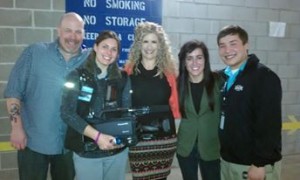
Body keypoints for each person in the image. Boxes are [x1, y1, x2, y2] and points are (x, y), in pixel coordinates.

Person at [4, 12, 88, 180]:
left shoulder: (89, 59)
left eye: (78, 31)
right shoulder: (34, 53)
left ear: (84, 34)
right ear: (58, 31)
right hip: (33, 143)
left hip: (69, 147)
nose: (73, 36)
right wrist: (16, 128)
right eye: (68, 30)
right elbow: (13, 92)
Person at [61, 30, 131, 180]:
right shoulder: (76, 76)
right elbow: (67, 113)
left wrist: (121, 138)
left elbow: (126, 112)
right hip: (87, 151)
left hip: (116, 150)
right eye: (105, 46)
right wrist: (98, 137)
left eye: (114, 49)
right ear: (95, 47)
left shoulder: (123, 78)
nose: (109, 52)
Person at [217, 25, 282, 180]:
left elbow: (269, 124)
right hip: (228, 161)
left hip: (253, 165)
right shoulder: (222, 78)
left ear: (246, 45)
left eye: (233, 44)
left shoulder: (263, 77)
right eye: (222, 46)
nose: (227, 50)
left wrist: (259, 164)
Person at [124, 21, 181, 180]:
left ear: (160, 45)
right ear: (139, 44)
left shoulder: (169, 72)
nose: (149, 46)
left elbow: (175, 107)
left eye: (154, 41)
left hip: (164, 138)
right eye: (145, 41)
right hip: (138, 139)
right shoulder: (128, 71)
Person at [176, 40, 221, 180]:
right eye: (189, 58)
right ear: (183, 62)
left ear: (205, 60)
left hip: (211, 145)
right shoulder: (177, 84)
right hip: (186, 146)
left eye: (199, 57)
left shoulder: (219, 81)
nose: (194, 63)